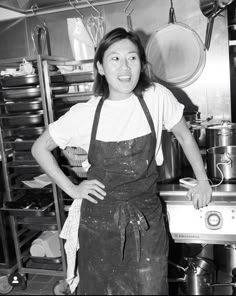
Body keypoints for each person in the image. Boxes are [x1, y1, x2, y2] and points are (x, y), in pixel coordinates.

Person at [31, 27, 212, 295]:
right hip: (98, 228)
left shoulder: (156, 97)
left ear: (141, 64)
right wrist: (72, 189)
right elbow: (40, 148)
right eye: (114, 58)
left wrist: (202, 180)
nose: (124, 66)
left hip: (146, 224)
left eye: (132, 57)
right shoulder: (85, 113)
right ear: (100, 67)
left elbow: (185, 137)